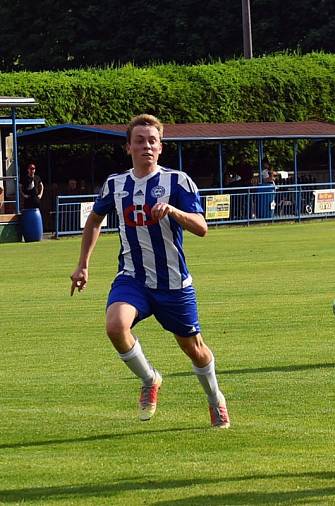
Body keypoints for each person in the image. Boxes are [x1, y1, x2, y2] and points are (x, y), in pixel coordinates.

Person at [69, 114, 230, 428]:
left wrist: (172, 210)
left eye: (152, 141)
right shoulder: (115, 185)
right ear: (128, 147)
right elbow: (94, 220)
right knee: (115, 326)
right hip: (133, 278)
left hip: (173, 284)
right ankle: (150, 379)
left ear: (161, 147)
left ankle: (215, 399)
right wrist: (83, 265)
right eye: (139, 141)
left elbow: (202, 227)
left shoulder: (177, 182)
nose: (146, 146)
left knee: (194, 349)